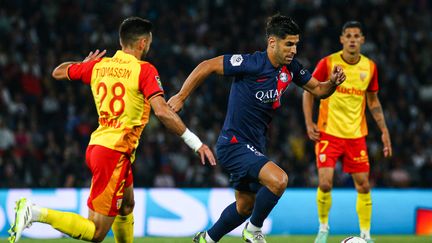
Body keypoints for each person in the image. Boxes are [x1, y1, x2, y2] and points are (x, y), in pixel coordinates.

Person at [8, 17, 216, 243]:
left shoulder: (100, 65)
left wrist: (84, 63)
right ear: (143, 43)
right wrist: (196, 143)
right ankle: (35, 212)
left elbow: (58, 72)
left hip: (102, 146)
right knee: (97, 232)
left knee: (127, 206)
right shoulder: (143, 70)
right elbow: (163, 112)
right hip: (113, 153)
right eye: (149, 43)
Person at [168, 14, 346, 243]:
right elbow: (207, 65)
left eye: (296, 44)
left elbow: (319, 91)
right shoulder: (251, 63)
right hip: (233, 143)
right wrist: (182, 96)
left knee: (244, 206)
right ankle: (253, 231)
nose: (293, 50)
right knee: (279, 180)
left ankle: (207, 239)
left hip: (255, 145)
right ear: (272, 42)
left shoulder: (290, 68)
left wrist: (332, 82)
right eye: (288, 44)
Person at [302, 21, 392, 243]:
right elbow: (308, 91)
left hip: (355, 136)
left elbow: (373, 101)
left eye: (356, 36)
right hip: (328, 133)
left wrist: (384, 130)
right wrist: (308, 122)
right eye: (348, 35)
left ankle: (366, 234)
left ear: (362, 40)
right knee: (325, 183)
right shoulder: (328, 63)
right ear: (341, 39)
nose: (352, 39)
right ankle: (323, 228)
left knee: (363, 185)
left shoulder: (370, 67)